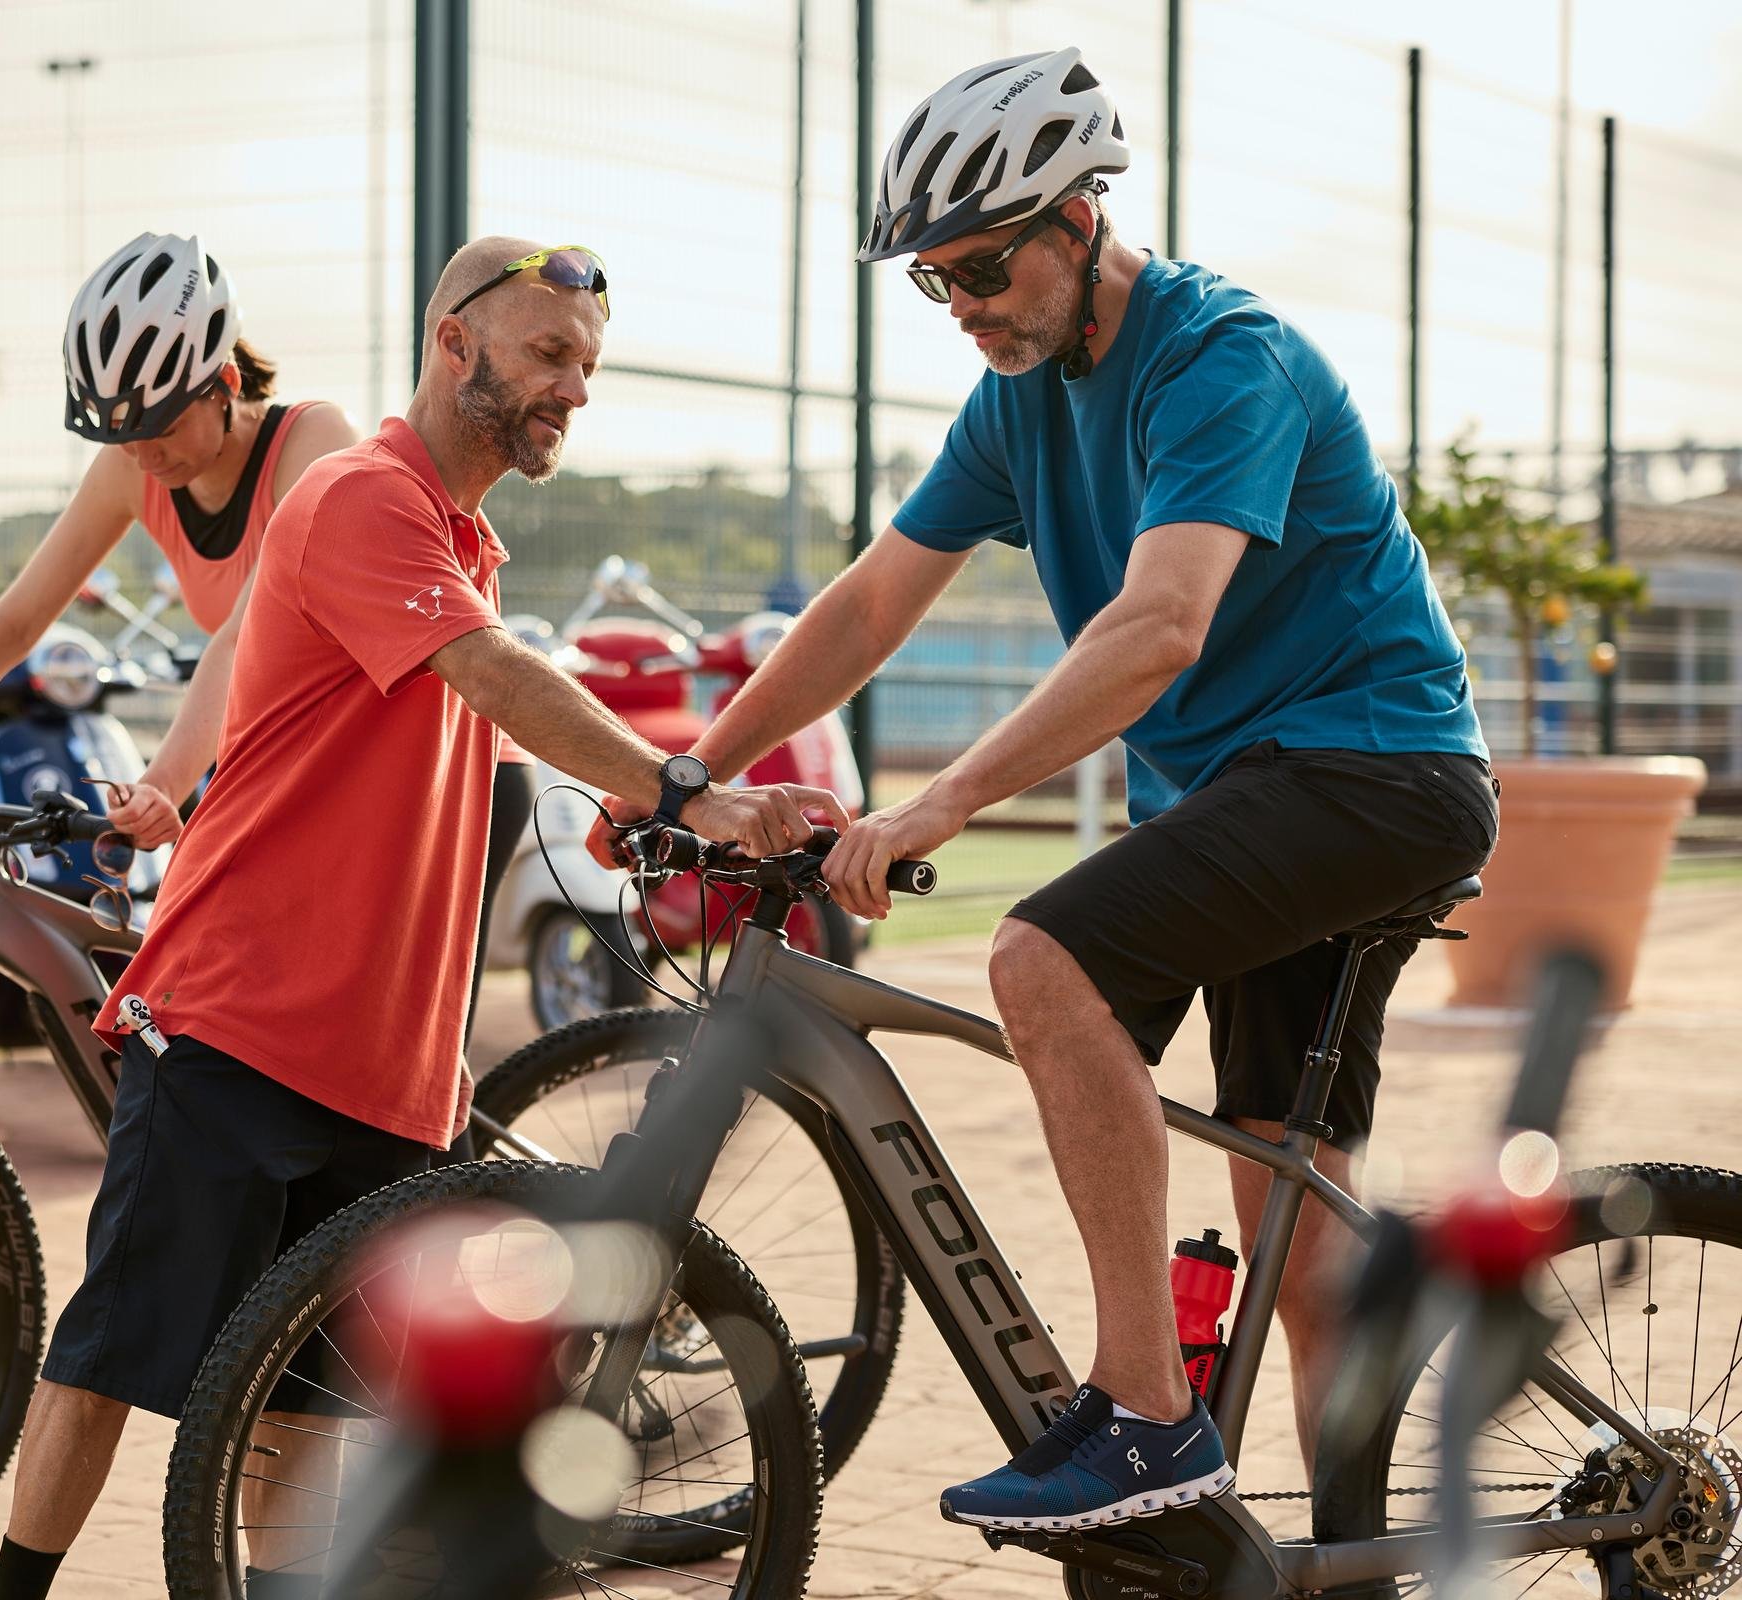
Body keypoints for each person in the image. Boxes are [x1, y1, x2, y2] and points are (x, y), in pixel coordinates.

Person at [0, 234, 842, 1600]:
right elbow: (485, 672)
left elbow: (470, 719)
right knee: (113, 1355)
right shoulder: (362, 494)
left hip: (387, 1058)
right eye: (549, 356)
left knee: (307, 1404)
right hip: (242, 1016)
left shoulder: (456, 531)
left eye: (584, 366)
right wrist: (684, 786)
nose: (573, 390)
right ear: (454, 343)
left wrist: (639, 806)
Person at [604, 47, 1497, 1531]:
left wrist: (937, 802)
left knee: (1044, 958)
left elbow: (1157, 628)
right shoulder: (1017, 398)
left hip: (1374, 771)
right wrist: (688, 769)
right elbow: (869, 605)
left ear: (1080, 218)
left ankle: (1149, 1421)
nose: (961, 307)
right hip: (1243, 799)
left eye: (981, 268)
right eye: (933, 282)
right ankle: (1358, 1558)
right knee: (1291, 1214)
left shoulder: (1226, 359)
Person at [0, 232, 357, 850]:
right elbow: (16, 623)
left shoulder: (317, 441)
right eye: (124, 432)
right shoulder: (133, 466)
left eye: (166, 426)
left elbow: (246, 636)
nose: (146, 454)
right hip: (290, 762)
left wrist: (160, 784)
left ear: (225, 381)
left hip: (411, 757)